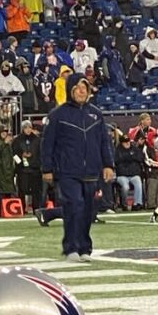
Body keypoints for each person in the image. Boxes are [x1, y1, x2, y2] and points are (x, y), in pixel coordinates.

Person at [41, 73, 115, 261]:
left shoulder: (96, 114)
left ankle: (85, 248)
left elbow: (104, 142)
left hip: (91, 171)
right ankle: (71, 248)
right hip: (66, 171)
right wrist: (47, 168)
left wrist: (108, 165)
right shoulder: (57, 115)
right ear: (70, 90)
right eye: (78, 88)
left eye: (85, 88)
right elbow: (47, 143)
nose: (82, 91)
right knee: (74, 205)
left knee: (88, 210)